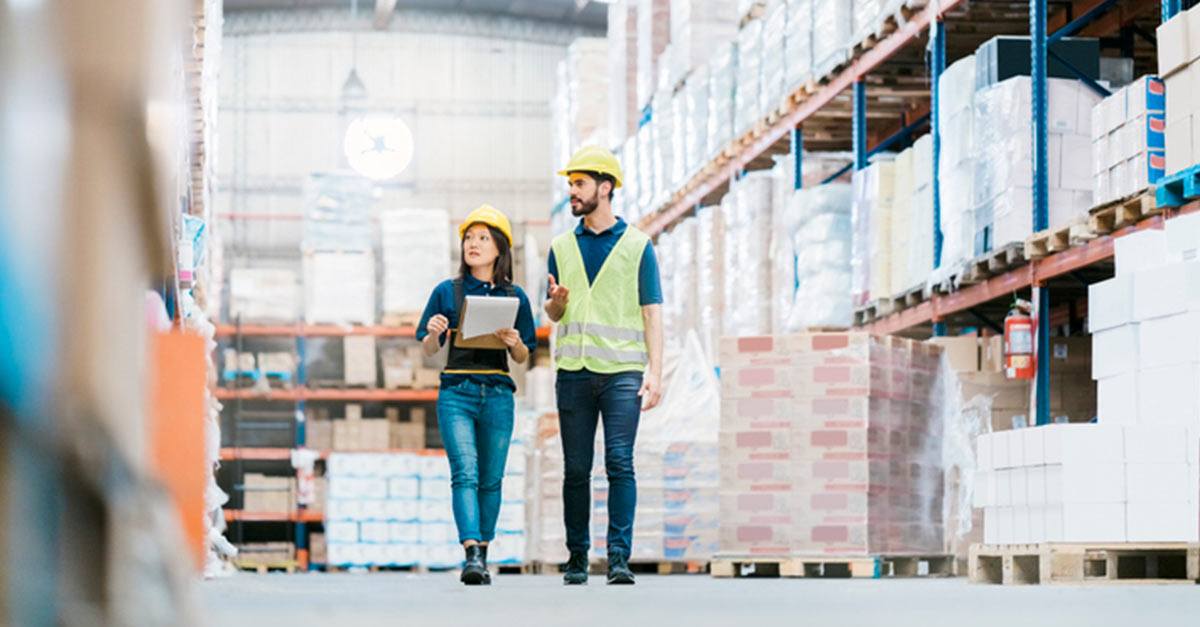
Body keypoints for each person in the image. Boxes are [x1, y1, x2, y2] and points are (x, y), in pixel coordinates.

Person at [545, 145, 664, 586]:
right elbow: (554, 315)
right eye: (570, 185)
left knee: (619, 462)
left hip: (622, 374)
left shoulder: (637, 246)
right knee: (576, 468)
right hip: (574, 373)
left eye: (579, 184)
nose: (572, 192)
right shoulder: (560, 246)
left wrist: (655, 371)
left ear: (605, 187)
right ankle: (577, 557)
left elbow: (652, 311)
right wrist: (555, 306)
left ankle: (618, 557)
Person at [416, 205, 537, 586]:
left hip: (499, 395)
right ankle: (470, 553)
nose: (474, 244)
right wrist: (434, 332)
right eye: (470, 237)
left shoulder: (514, 296)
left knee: (491, 479)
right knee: (464, 473)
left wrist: (515, 342)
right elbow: (429, 349)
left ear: (500, 248)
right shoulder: (445, 291)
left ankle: (483, 552)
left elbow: (523, 355)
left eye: (483, 238)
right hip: (457, 393)